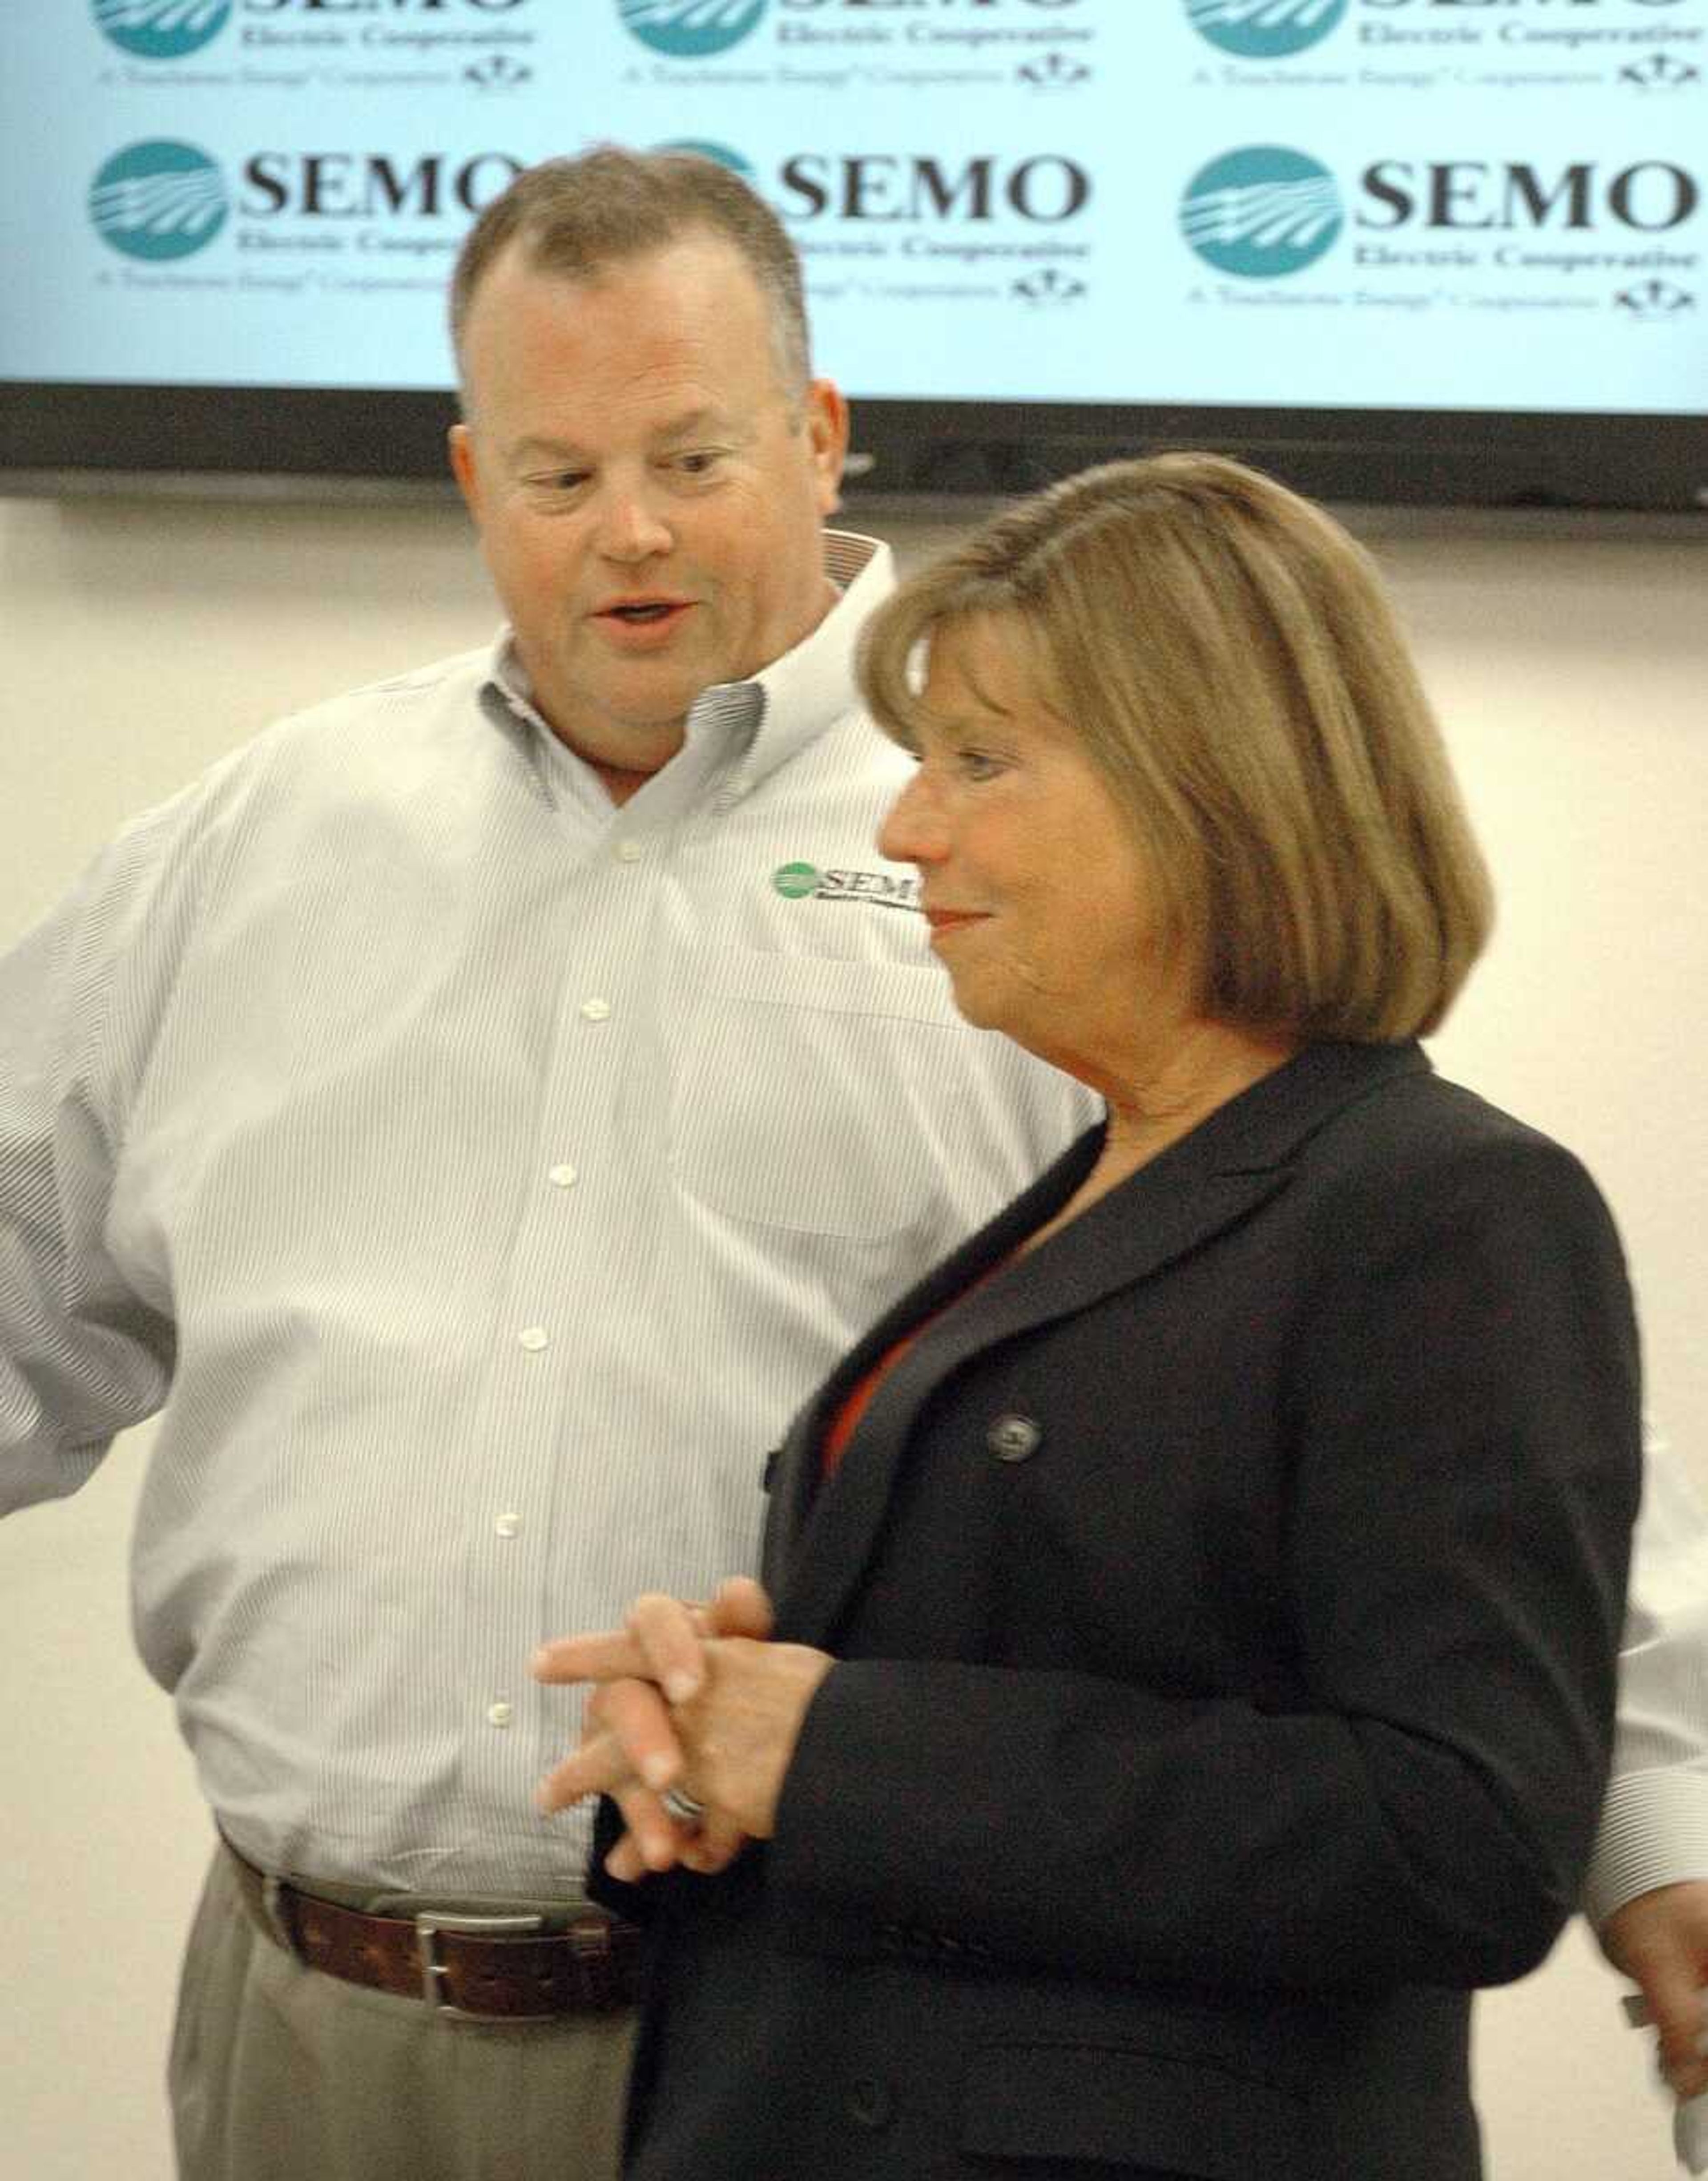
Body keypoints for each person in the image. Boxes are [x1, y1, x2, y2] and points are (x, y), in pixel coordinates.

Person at [0, 150, 1092, 2181]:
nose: (636, 533)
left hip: (808, 2034)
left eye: (692, 454)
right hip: (305, 2027)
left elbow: (1352, 1305)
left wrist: (1656, 1809)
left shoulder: (1024, 835)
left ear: (821, 432)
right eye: (560, 472)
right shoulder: (262, 839)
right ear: (468, 475)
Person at [533, 453, 1645, 2181]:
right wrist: (715, 1740)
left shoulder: (1446, 1208)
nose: (906, 830)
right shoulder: (1086, 1184)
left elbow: (1462, 1832)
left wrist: (837, 1743)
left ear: (1215, 789)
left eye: (980, 761)